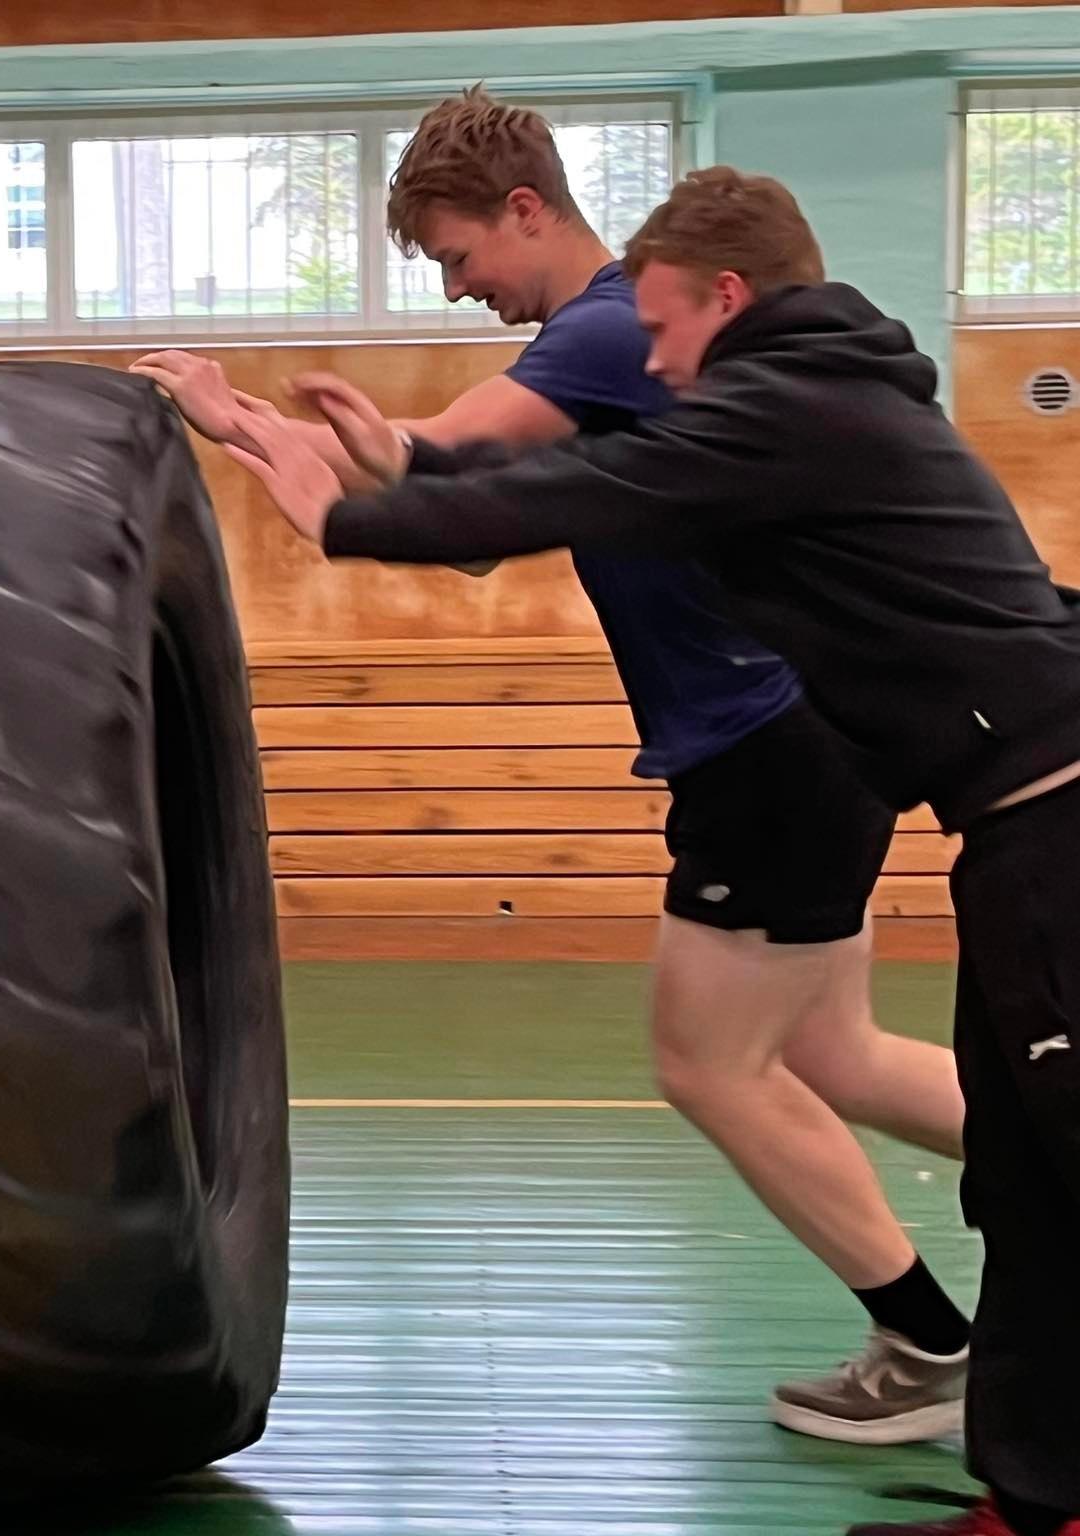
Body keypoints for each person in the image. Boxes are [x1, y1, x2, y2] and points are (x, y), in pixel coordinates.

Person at [219, 163, 1080, 1536]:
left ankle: (980, 1416)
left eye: (665, 327)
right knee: (1011, 1169)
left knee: (1023, 1163)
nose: (653, 357)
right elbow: (577, 487)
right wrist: (392, 473)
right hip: (1004, 815)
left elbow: (574, 490)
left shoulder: (785, 404)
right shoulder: (814, 396)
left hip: (1046, 820)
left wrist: (341, 515)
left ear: (727, 297)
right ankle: (1028, 1498)